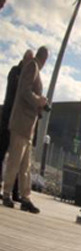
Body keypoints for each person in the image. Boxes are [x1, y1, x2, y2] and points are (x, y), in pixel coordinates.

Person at [2, 46, 48, 213]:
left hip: (27, 127)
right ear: (44, 58)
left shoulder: (33, 68)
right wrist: (39, 101)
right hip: (21, 125)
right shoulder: (32, 67)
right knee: (15, 161)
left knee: (25, 166)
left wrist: (39, 105)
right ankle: (6, 193)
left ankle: (25, 197)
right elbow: (24, 91)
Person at [0, 50, 33, 198]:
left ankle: (14, 192)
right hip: (7, 118)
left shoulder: (27, 77)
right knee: (2, 153)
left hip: (17, 122)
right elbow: (17, 91)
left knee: (17, 158)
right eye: (29, 61)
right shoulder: (15, 71)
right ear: (24, 59)